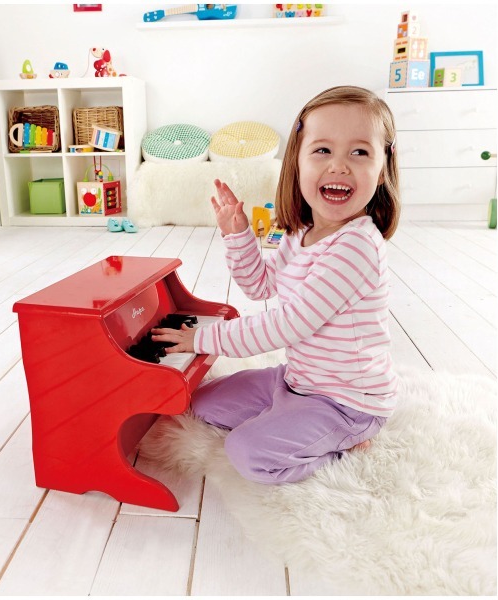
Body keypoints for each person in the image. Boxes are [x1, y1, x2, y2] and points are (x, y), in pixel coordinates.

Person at [151, 85, 401, 484]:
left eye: (359, 152)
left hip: (348, 401)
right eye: (323, 150)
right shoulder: (302, 232)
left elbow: (288, 325)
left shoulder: (357, 246)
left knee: (247, 453)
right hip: (297, 380)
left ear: (383, 168)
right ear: (297, 161)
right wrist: (238, 234)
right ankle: (291, 415)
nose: (339, 166)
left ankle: (345, 445)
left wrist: (203, 339)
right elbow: (260, 286)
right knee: (201, 403)